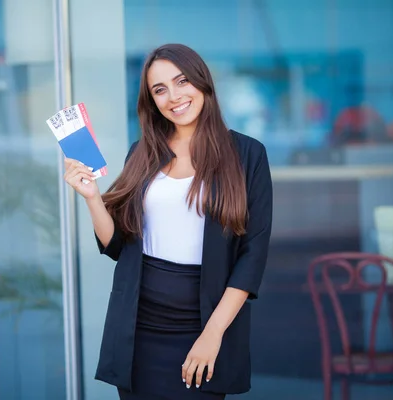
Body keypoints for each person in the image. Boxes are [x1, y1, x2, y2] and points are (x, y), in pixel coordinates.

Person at [63, 43, 273, 399]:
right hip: (138, 329)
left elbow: (252, 256)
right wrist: (92, 198)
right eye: (160, 90)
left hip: (204, 324)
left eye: (181, 82)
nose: (173, 96)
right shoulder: (142, 152)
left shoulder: (247, 154)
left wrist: (213, 334)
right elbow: (117, 245)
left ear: (202, 82)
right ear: (151, 100)